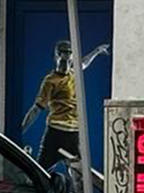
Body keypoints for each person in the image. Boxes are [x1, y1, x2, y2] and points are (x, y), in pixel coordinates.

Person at [21, 40, 110, 168]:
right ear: (57, 56)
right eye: (63, 53)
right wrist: (21, 130)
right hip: (55, 132)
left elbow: (84, 62)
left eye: (69, 53)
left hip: (73, 134)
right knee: (42, 171)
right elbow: (37, 108)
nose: (66, 57)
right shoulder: (50, 81)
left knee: (79, 175)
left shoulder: (74, 73)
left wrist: (97, 50)